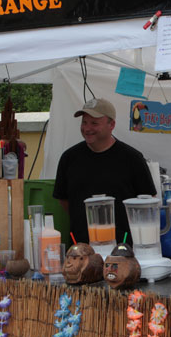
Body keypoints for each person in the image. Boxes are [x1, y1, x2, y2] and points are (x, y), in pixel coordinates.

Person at [53, 97, 157, 245]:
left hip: (122, 250)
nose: (87, 128)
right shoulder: (69, 158)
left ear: (111, 125)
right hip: (81, 251)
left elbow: (148, 201)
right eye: (84, 122)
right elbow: (63, 199)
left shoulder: (132, 158)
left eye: (94, 123)